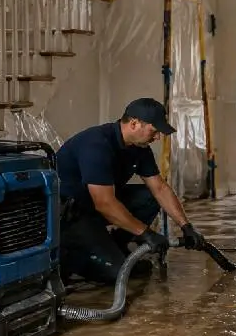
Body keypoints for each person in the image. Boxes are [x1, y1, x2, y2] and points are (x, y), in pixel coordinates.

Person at [56, 97, 206, 284]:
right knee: (117, 273)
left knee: (149, 197)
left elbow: (159, 188)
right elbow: (105, 203)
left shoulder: (139, 148)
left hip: (95, 207)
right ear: (134, 123)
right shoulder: (96, 145)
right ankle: (70, 258)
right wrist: (146, 233)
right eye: (154, 131)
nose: (157, 137)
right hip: (70, 217)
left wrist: (186, 226)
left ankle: (114, 246)